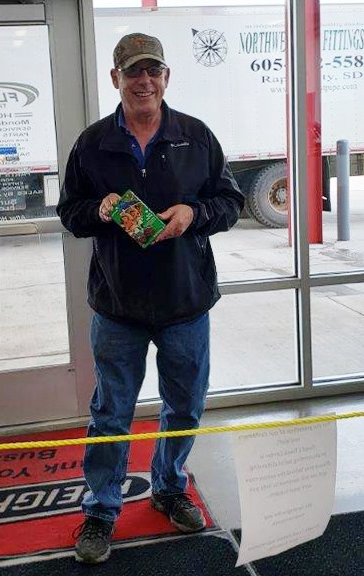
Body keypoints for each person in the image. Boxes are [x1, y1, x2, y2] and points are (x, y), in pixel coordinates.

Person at [56, 32, 244, 564]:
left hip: (186, 303)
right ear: (115, 78)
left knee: (184, 407)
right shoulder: (92, 143)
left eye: (152, 70)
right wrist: (100, 210)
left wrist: (193, 214)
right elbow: (70, 213)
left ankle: (168, 487)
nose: (144, 81)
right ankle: (101, 509)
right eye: (133, 71)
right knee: (111, 414)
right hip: (118, 307)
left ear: (166, 77)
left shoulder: (196, 137)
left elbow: (230, 202)